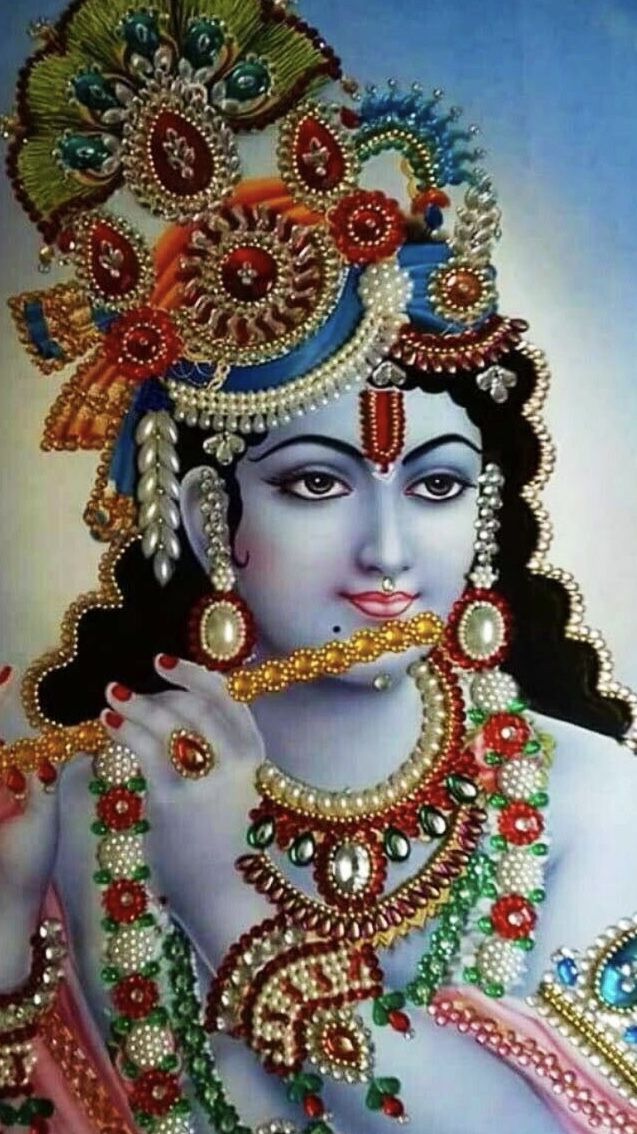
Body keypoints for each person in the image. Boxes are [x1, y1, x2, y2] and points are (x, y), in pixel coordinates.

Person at [1, 3, 637, 1133]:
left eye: (435, 487)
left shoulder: (593, 801)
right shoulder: (90, 808)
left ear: (485, 512)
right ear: (206, 516)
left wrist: (222, 897)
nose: (387, 550)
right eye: (315, 484)